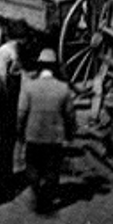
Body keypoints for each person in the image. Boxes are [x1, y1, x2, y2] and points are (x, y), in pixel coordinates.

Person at [17, 48, 76, 215]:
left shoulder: (29, 87)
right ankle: (47, 200)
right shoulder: (63, 88)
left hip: (33, 135)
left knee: (32, 167)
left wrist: (20, 133)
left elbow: (21, 113)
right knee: (52, 170)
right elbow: (70, 115)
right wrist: (70, 134)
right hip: (54, 138)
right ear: (55, 68)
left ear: (39, 67)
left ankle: (36, 192)